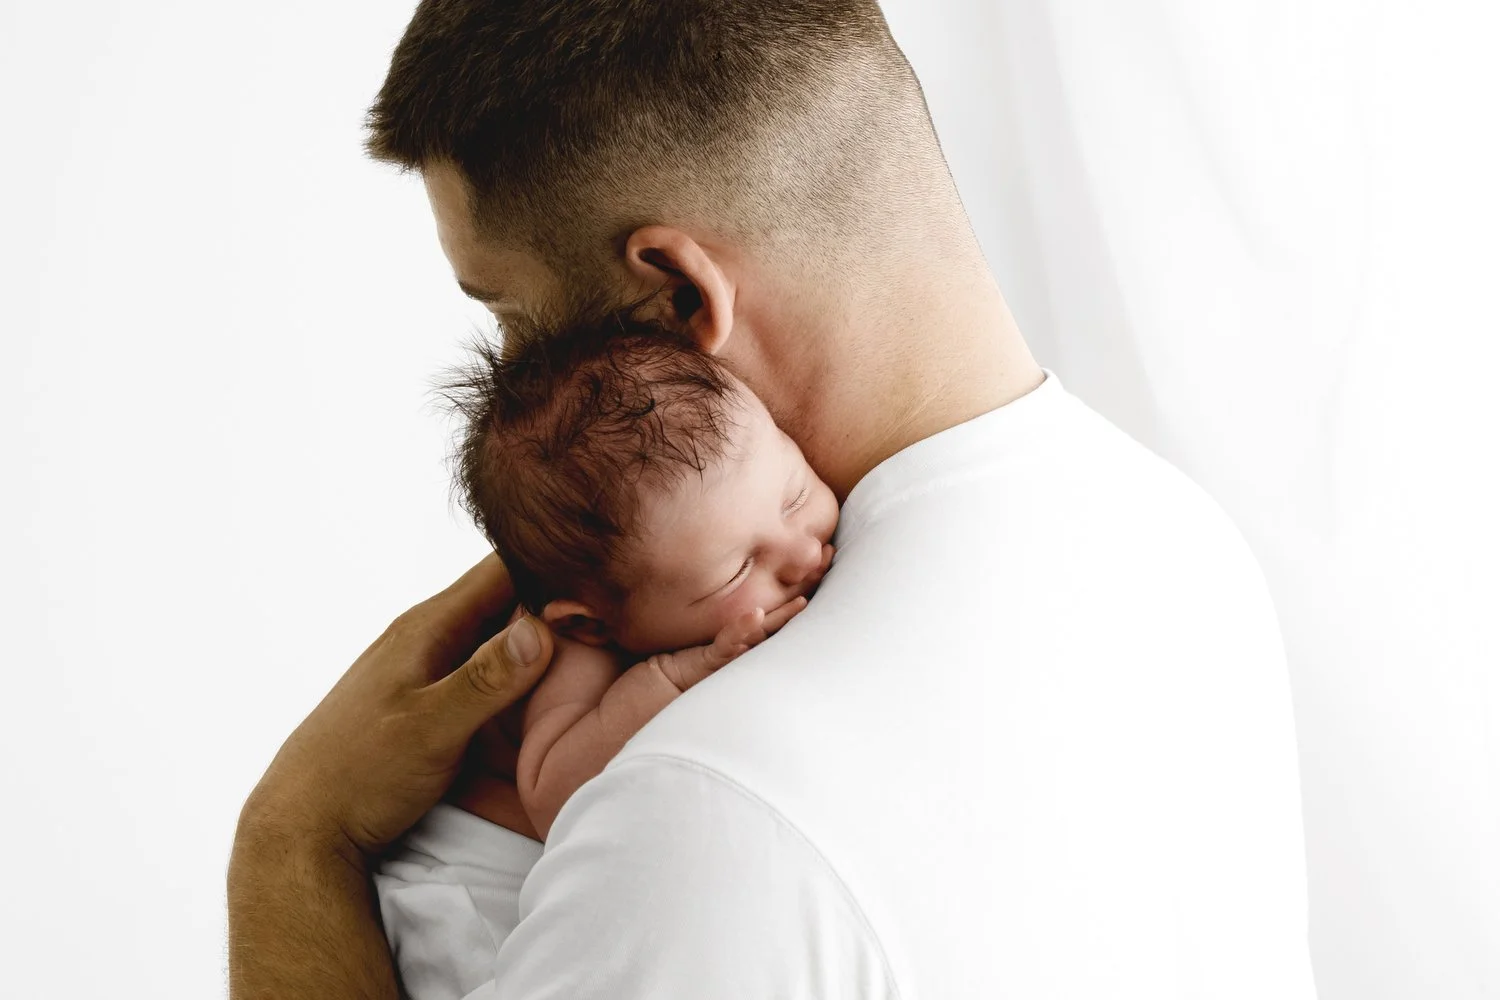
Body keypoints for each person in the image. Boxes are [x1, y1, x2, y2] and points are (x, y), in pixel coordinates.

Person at [228, 2, 1317, 997]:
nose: (518, 377)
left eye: (512, 318)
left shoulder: (701, 808)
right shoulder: (1182, 543)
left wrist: (292, 844)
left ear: (680, 297)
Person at [443, 319, 837, 838]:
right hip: (470, 864)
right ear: (591, 624)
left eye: (794, 495)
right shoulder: (574, 652)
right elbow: (546, 800)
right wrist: (678, 675)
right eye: (736, 570)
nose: (804, 550)